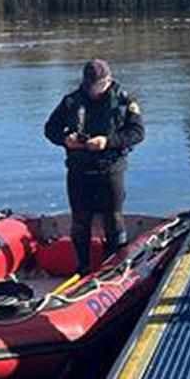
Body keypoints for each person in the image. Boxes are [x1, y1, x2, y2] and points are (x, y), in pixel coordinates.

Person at [44, 59, 145, 274]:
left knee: (113, 218)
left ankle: (114, 267)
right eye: (89, 85)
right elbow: (50, 129)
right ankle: (82, 266)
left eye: (97, 85)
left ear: (108, 81)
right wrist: (65, 139)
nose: (93, 90)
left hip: (110, 168)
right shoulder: (71, 101)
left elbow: (137, 133)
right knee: (80, 220)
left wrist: (107, 142)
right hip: (79, 169)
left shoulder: (125, 101)